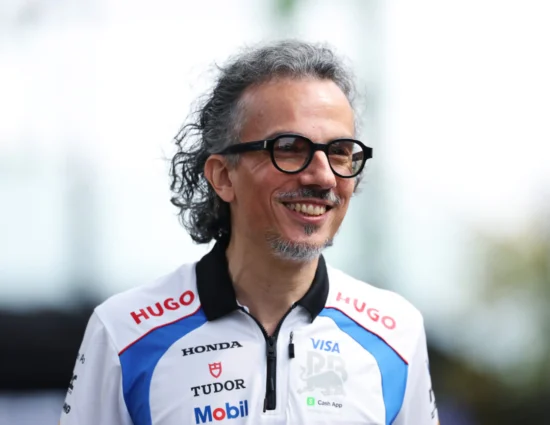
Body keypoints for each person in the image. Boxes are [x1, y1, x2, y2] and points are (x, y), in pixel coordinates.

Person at [59, 40, 439, 425]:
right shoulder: (124, 332)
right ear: (223, 176)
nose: (324, 177)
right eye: (290, 147)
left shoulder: (396, 333)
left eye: (340, 151)